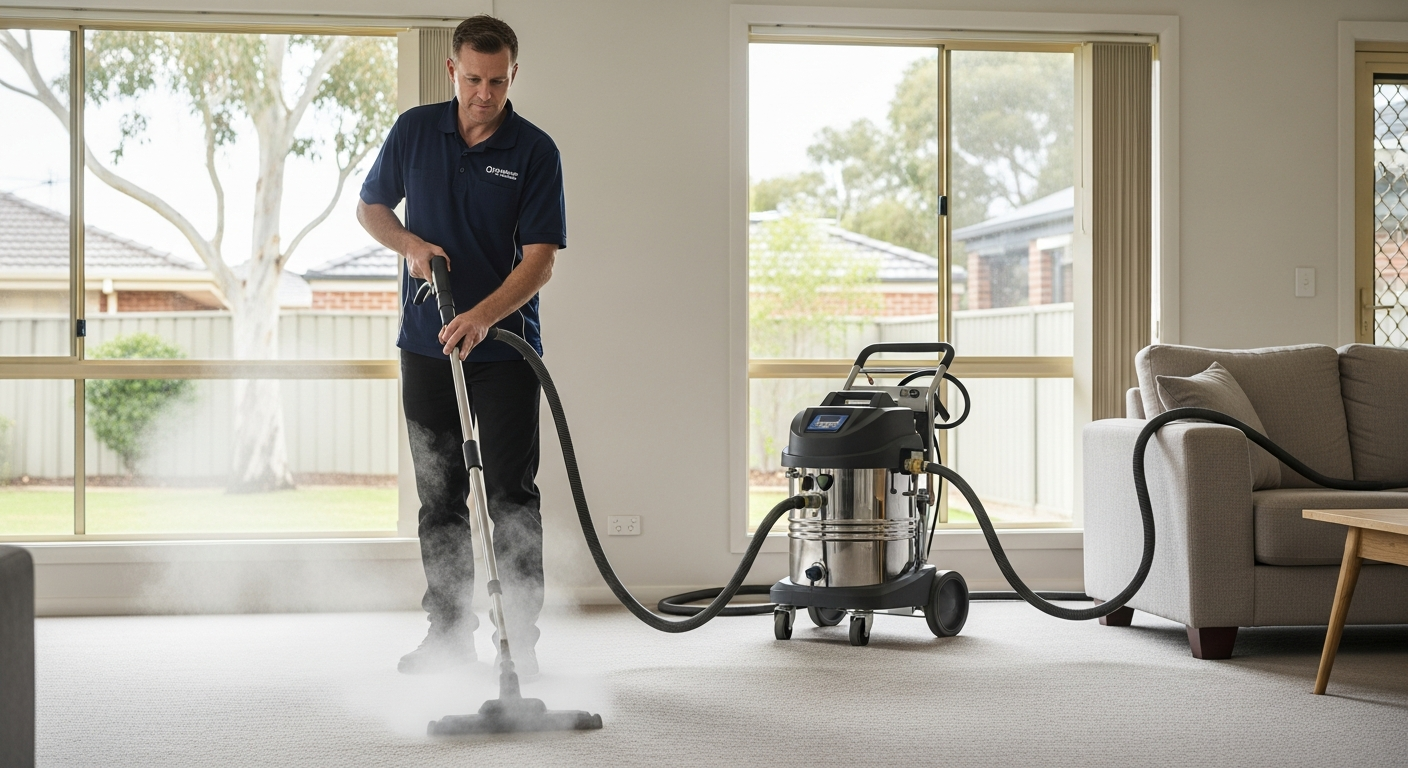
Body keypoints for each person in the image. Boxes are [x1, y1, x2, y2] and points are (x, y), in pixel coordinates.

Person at [356, 14, 565, 675]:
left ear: (513, 74)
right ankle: (447, 637)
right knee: (440, 496)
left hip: (504, 349)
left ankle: (518, 644)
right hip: (427, 345)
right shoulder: (416, 131)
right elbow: (371, 208)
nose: (484, 94)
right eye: (473, 79)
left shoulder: (534, 150)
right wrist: (410, 245)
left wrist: (480, 316)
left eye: (497, 81)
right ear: (453, 70)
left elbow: (539, 261)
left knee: (510, 496)